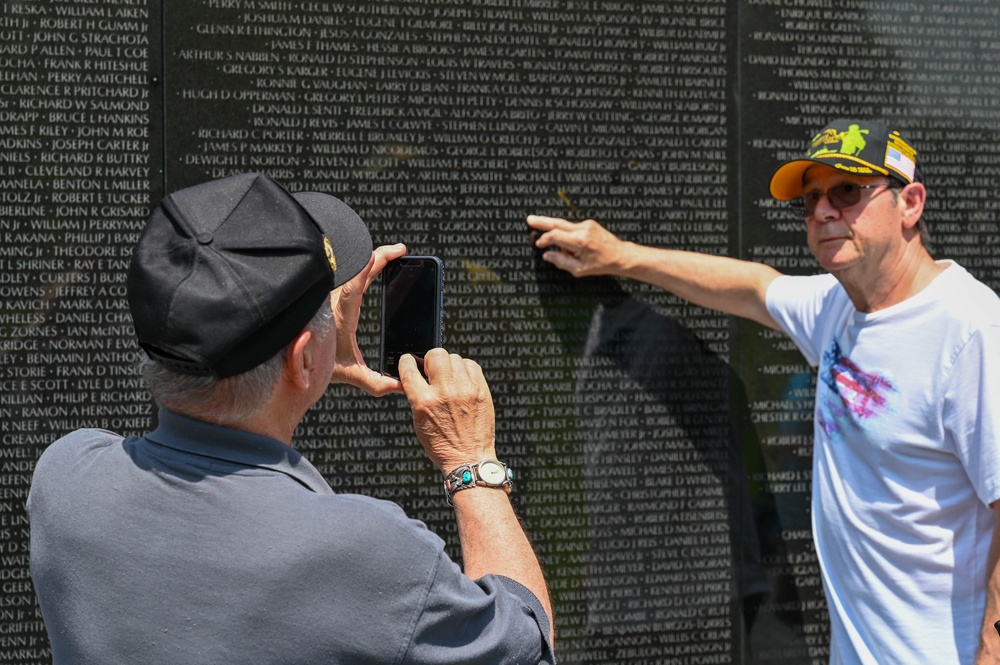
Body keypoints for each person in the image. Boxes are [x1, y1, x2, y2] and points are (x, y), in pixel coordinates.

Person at [27, 172, 555, 664]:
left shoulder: (66, 477)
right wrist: (471, 462)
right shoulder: (368, 553)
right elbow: (528, 642)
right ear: (301, 356)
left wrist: (307, 368)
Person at [527, 118, 1000, 665]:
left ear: (910, 203)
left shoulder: (971, 331)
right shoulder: (837, 307)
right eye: (810, 199)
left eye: (847, 191)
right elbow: (753, 287)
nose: (824, 211)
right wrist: (619, 256)